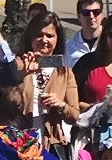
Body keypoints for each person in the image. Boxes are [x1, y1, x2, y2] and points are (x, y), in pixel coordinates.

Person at [20, 13, 83, 151]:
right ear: (30, 37)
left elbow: (74, 115)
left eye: (50, 36)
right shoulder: (18, 66)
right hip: (21, 142)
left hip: (51, 145)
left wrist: (61, 105)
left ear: (57, 39)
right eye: (39, 35)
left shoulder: (65, 73)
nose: (44, 40)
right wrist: (25, 75)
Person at [63, 0, 105, 68]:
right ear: (79, 16)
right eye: (86, 13)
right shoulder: (68, 47)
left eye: (96, 12)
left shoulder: (111, 43)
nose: (91, 17)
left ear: (102, 14)